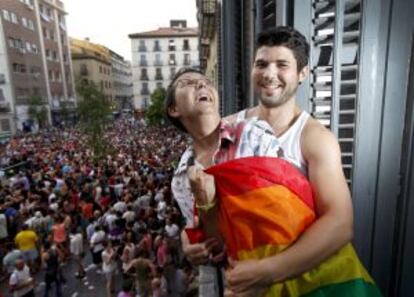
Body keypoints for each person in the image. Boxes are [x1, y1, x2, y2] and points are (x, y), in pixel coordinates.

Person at [166, 34, 381, 295]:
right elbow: (208, 216)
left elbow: (340, 223)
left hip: (309, 281)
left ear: (302, 73)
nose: (269, 74)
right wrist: (189, 238)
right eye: (261, 64)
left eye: (282, 65)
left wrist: (268, 272)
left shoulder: (315, 139)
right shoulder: (231, 126)